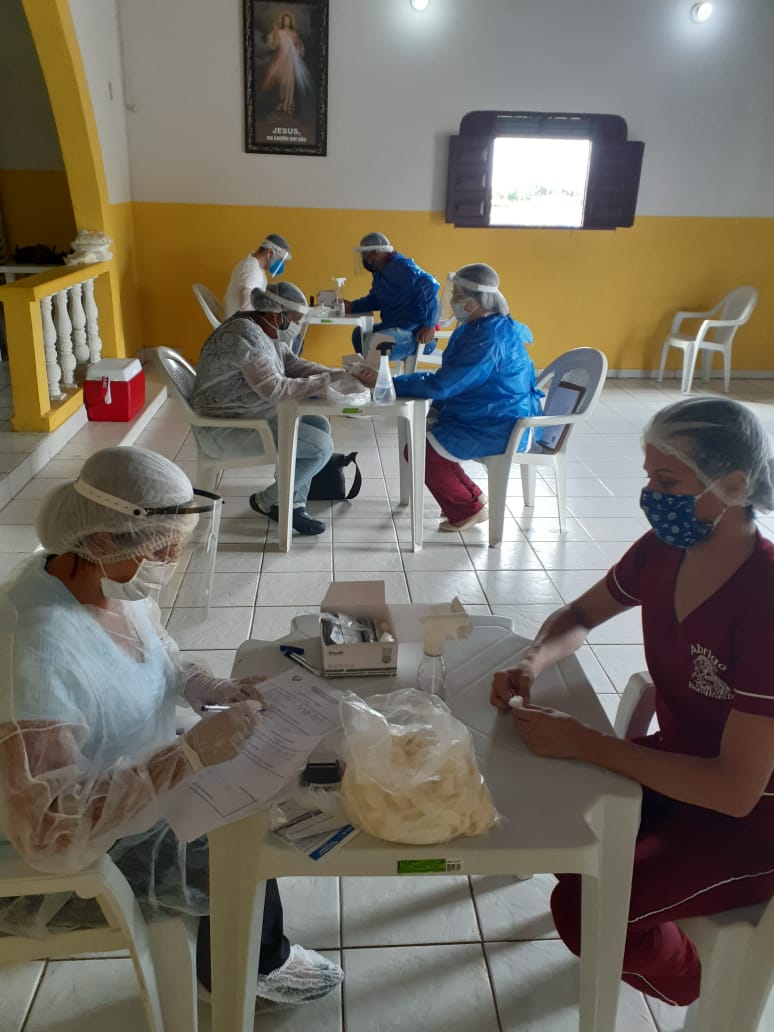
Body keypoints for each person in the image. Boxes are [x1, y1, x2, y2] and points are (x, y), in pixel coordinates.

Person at [0, 446, 343, 1007]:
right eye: (159, 550)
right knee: (239, 838)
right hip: (81, 852)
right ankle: (241, 969)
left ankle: (242, 951)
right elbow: (49, 835)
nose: (168, 561)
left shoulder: (86, 577)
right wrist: (186, 757)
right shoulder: (34, 652)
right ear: (102, 539)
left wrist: (207, 687)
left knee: (258, 792)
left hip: (129, 777)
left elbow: (151, 653)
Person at [490, 396, 774, 1008]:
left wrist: (588, 744)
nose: (650, 496)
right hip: (677, 763)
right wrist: (531, 660)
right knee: (555, 821)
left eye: (666, 482)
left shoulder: (766, 600)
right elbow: (579, 615)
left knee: (586, 907)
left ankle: (695, 982)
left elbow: (735, 790)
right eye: (649, 478)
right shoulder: (661, 552)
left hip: (756, 819)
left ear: (732, 486)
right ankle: (635, 941)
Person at [355, 263, 542, 532]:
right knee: (426, 440)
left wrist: (389, 383)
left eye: (459, 295)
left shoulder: (487, 339)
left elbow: (443, 384)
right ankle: (472, 496)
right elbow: (452, 378)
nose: (454, 300)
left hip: (499, 424)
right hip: (486, 412)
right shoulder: (481, 327)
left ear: (476, 300)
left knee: (421, 452)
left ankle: (468, 510)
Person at [191, 281, 349, 536]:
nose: (296, 326)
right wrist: (327, 380)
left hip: (248, 415)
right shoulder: (244, 337)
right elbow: (276, 389)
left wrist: (340, 374)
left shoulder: (262, 328)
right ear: (276, 315)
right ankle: (268, 500)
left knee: (319, 423)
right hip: (225, 430)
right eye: (294, 319)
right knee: (321, 447)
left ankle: (290, 503)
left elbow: (292, 364)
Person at [345, 232, 440, 362]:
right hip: (395, 326)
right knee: (359, 334)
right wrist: (353, 306)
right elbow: (376, 299)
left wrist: (429, 325)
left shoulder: (403, 268)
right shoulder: (380, 271)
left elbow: (430, 286)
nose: (365, 259)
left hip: (418, 334)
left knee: (377, 343)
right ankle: (369, 370)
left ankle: (372, 372)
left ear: (376, 253)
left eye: (366, 254)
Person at [223, 233, 292, 318]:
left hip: (240, 319)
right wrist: (270, 311)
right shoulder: (252, 269)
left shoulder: (254, 265)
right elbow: (246, 304)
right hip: (240, 323)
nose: (281, 265)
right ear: (270, 253)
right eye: (280, 260)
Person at [261, 11, 312, 117]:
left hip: (291, 60)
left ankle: (289, 105)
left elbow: (299, 48)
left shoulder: (294, 34)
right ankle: (282, 103)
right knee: (282, 83)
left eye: (288, 20)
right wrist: (275, 31)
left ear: (290, 21)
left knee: (290, 82)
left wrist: (297, 45)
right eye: (285, 19)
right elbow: (274, 45)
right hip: (281, 60)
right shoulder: (279, 32)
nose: (286, 21)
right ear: (283, 21)